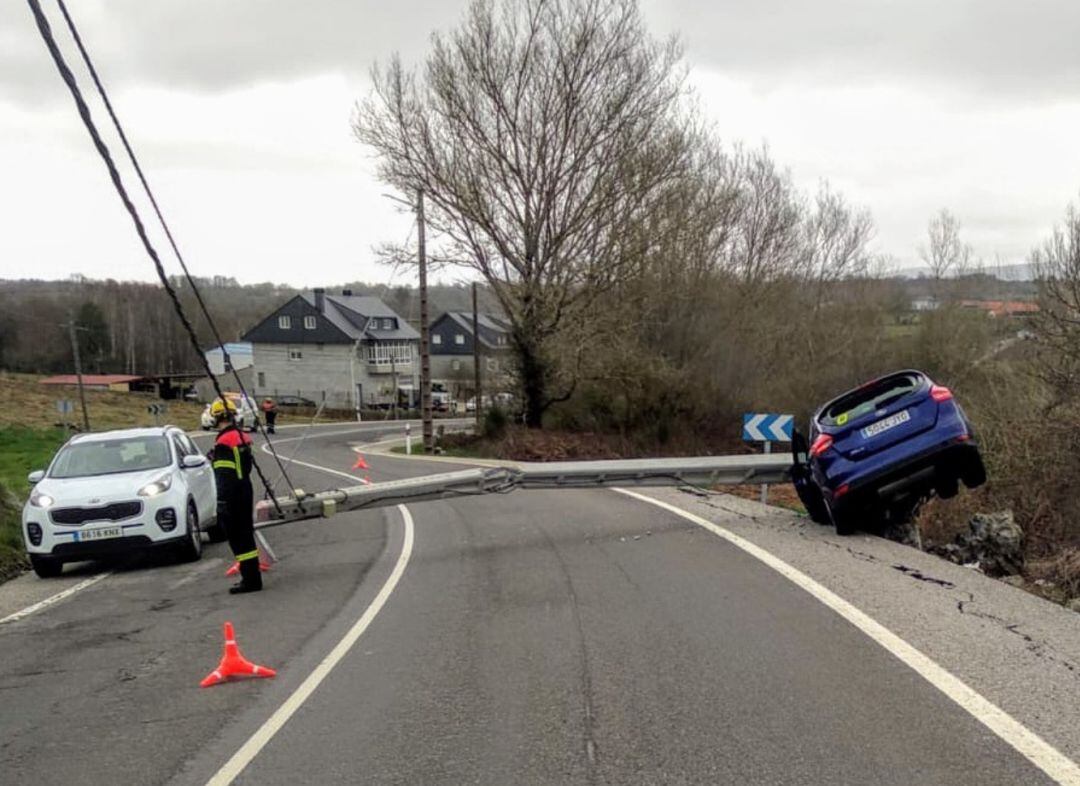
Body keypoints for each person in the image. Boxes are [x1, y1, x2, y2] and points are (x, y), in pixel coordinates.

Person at [209, 397, 262, 594]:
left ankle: (250, 581)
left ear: (216, 418)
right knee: (246, 535)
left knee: (237, 538)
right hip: (245, 489)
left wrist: (221, 500)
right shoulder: (242, 436)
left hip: (232, 495)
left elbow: (224, 474)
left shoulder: (223, 442)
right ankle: (252, 577)